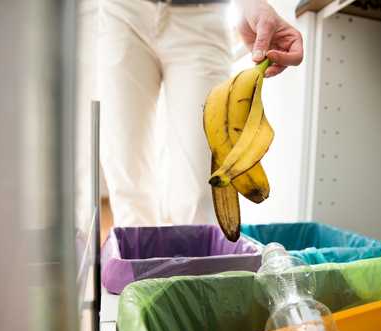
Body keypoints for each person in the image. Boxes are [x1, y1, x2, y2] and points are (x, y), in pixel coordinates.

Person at [98, 0, 303, 226]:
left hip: (201, 17)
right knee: (126, 171)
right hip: (121, 13)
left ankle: (197, 259)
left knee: (201, 187)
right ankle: (137, 259)